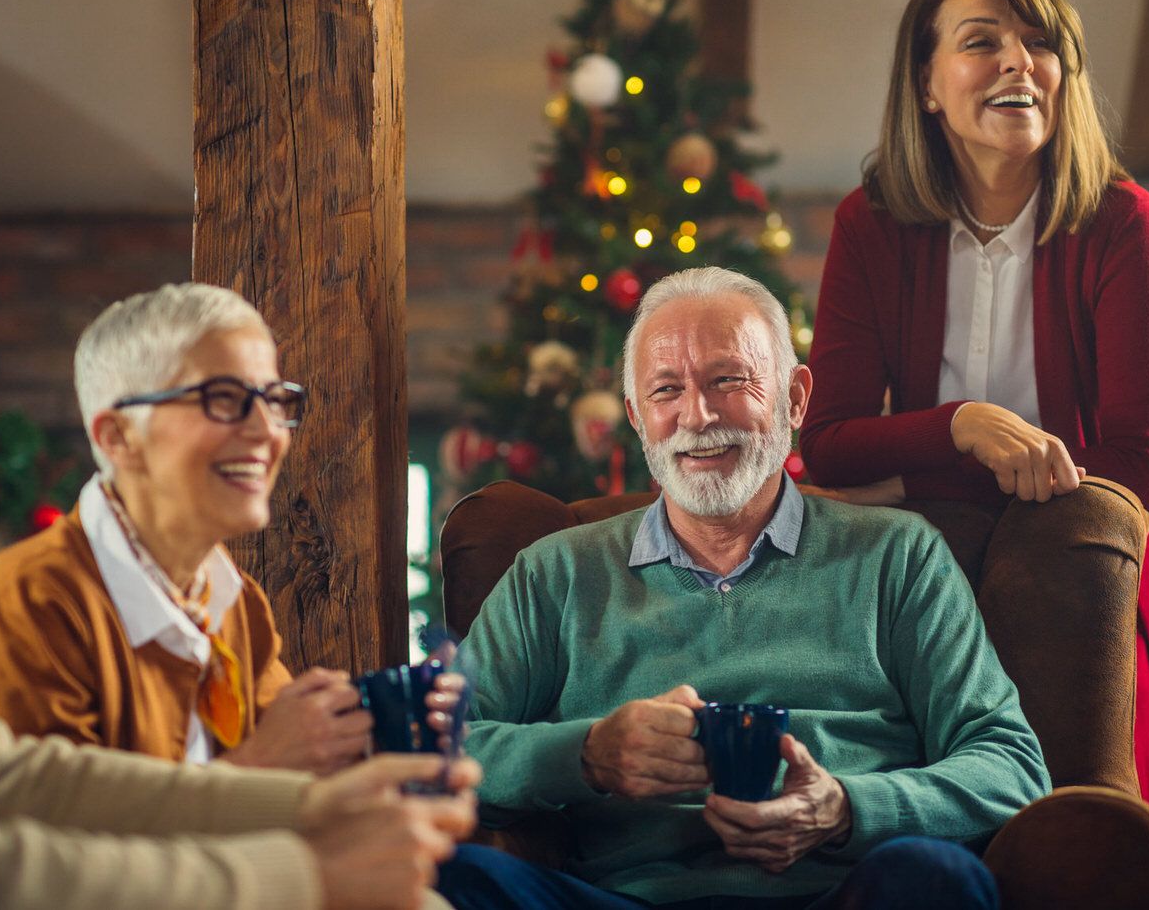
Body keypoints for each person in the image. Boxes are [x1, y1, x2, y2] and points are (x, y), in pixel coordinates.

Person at [0, 96, 476, 910]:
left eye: (275, 400)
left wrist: (314, 804)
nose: (267, 433)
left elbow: (2, 773)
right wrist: (309, 877)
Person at [438, 267, 1049, 909]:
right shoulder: (554, 572)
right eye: (666, 390)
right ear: (636, 417)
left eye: (728, 380)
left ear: (794, 397)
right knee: (454, 877)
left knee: (935, 878)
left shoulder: (899, 555)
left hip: (845, 894)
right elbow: (442, 747)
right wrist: (587, 755)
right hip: (629, 900)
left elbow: (1011, 765)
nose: (696, 416)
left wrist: (845, 809)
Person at [798, 0, 1149, 819]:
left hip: (1079, 559)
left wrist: (907, 476)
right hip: (921, 559)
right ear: (928, 87)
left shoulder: (1124, 221)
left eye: (1041, 43)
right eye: (984, 42)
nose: (1021, 61)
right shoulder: (870, 224)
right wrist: (964, 426)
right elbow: (826, 439)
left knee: (1082, 829)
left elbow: (1140, 462)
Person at [0, 284, 407, 775]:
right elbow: (48, 845)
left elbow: (303, 774)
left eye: (273, 399)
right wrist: (260, 763)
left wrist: (390, 743)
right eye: (222, 399)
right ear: (118, 438)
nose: (267, 431)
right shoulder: (29, 604)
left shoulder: (232, 599)